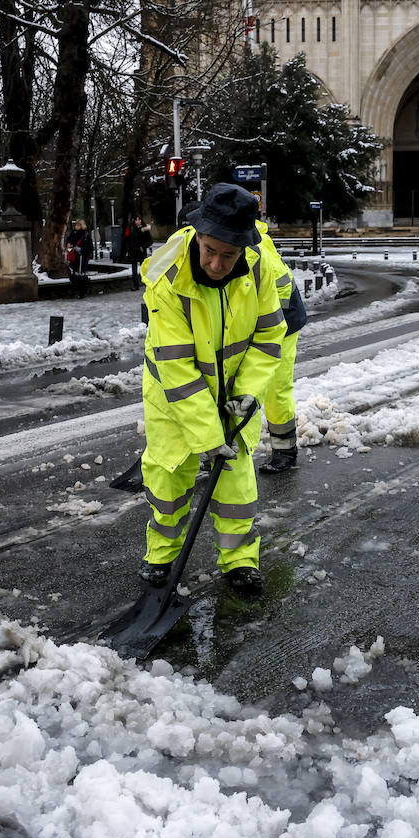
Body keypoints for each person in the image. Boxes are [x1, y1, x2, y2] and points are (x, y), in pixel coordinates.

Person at [137, 183, 288, 597]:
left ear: (244, 249)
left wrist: (249, 391)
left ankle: (239, 560)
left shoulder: (258, 268)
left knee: (237, 482)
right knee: (170, 477)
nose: (217, 263)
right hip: (174, 396)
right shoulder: (168, 279)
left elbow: (270, 333)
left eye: (228, 254)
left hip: (234, 394)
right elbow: (178, 367)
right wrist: (206, 436)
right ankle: (162, 555)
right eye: (209, 250)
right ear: (198, 235)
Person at [256, 220, 307, 473]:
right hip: (262, 320)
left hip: (283, 321)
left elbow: (277, 295)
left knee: (275, 389)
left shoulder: (253, 247)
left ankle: (285, 451)